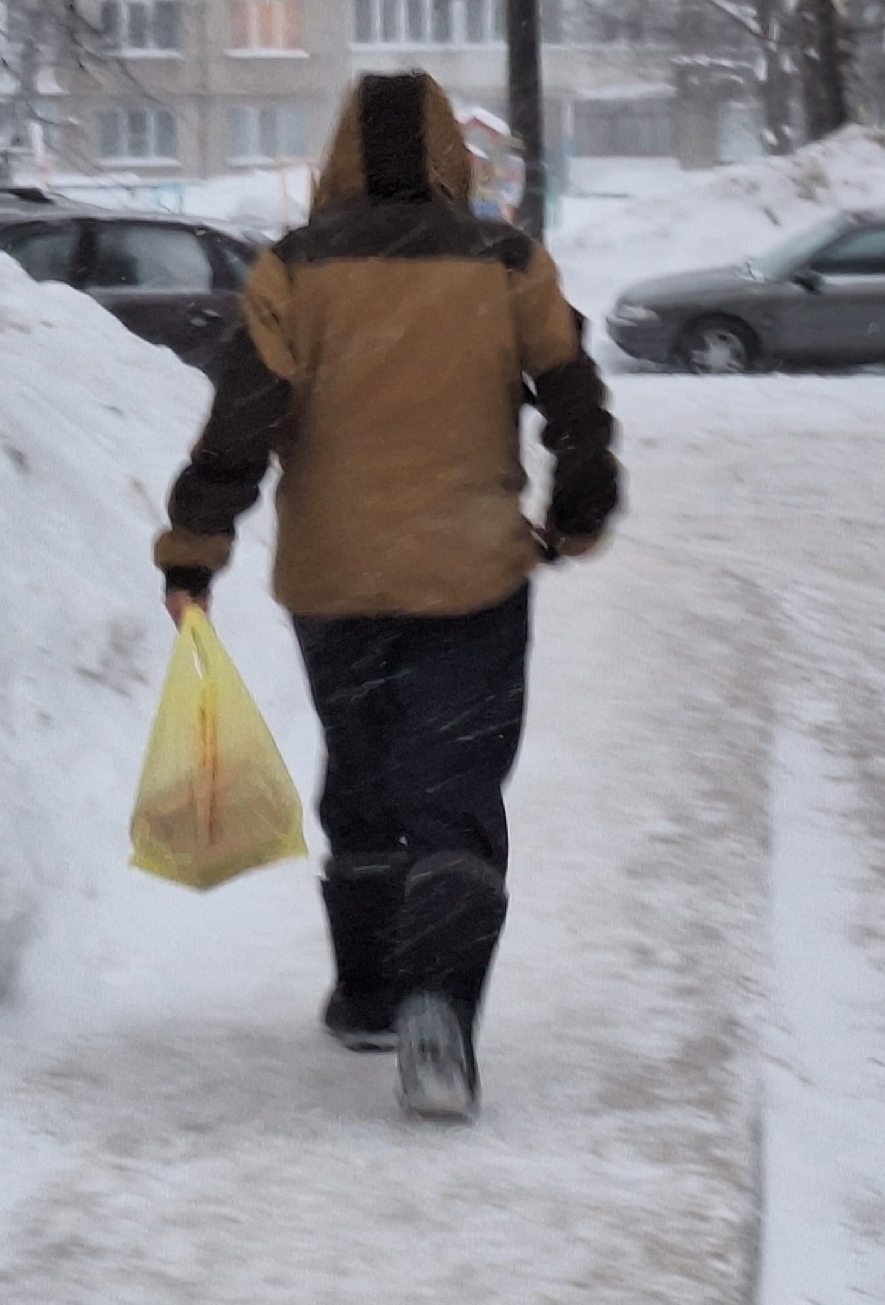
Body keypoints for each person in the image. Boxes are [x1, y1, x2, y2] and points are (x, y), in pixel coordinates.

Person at [153, 71, 620, 1121]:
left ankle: (367, 993)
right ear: (453, 156)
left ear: (341, 155)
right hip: (472, 575)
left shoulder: (295, 269)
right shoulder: (506, 261)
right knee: (452, 793)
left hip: (336, 577)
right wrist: (580, 506)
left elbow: (242, 421)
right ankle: (439, 1016)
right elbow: (575, 396)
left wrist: (195, 547)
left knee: (363, 778)